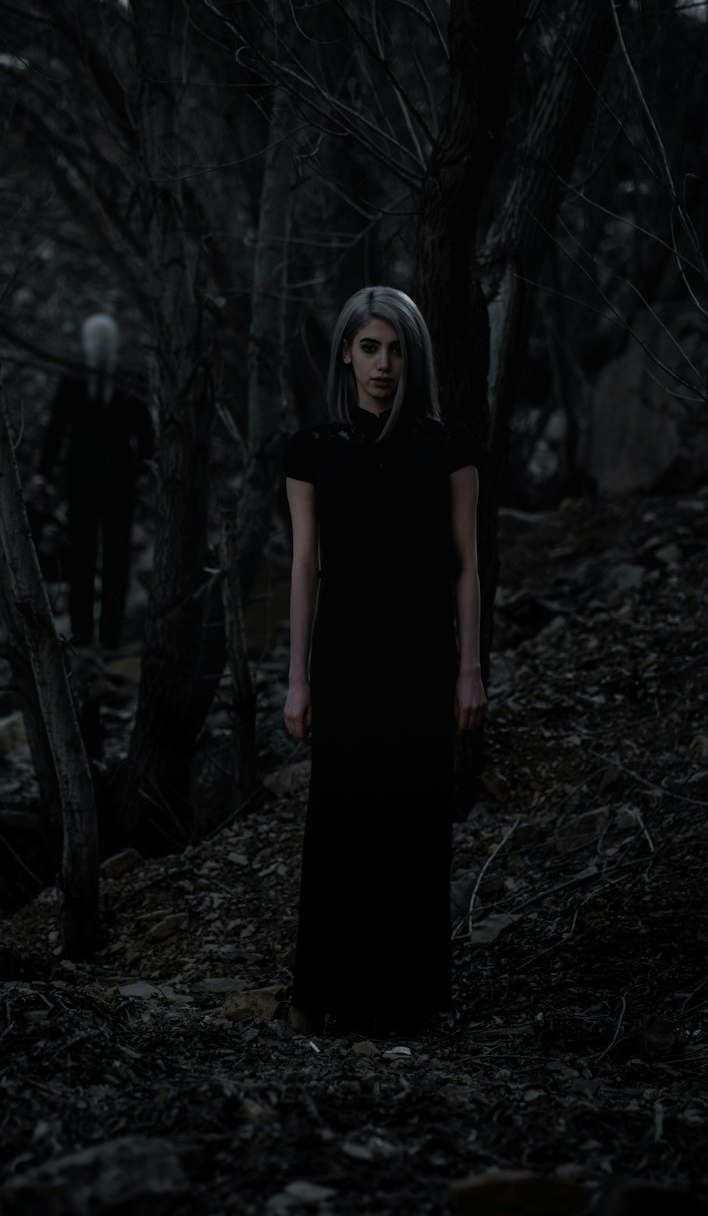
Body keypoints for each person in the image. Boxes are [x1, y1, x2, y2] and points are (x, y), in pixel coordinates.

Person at [283, 286, 486, 1036]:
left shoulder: (447, 446)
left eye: (396, 350)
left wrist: (469, 667)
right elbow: (305, 566)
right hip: (344, 653)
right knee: (341, 815)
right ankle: (324, 990)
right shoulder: (313, 451)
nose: (383, 364)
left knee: (415, 817)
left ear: (413, 358)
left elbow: (468, 565)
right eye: (370, 347)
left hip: (422, 654)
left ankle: (411, 999)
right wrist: (297, 680)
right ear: (345, 351)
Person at [38, 314, 154, 650]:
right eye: (95, 340)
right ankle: (82, 632)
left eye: (105, 340)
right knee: (81, 558)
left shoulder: (129, 378)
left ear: (113, 343)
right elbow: (56, 430)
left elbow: (144, 430)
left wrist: (148, 467)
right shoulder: (73, 378)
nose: (101, 346)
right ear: (88, 343)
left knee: (117, 559)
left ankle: (111, 634)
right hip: (81, 483)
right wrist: (42, 473)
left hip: (120, 482)